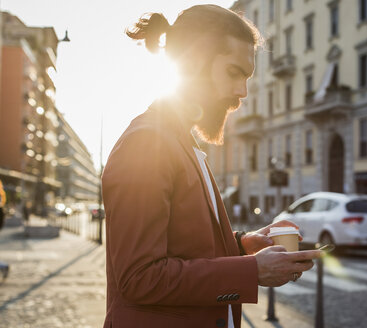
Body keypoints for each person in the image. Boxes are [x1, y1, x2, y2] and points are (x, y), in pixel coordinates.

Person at [102, 5, 322, 328]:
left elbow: (182, 244)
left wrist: (240, 245)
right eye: (234, 73)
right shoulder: (147, 143)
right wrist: (252, 271)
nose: (242, 93)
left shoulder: (181, 141)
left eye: (247, 78)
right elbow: (140, 277)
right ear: (192, 63)